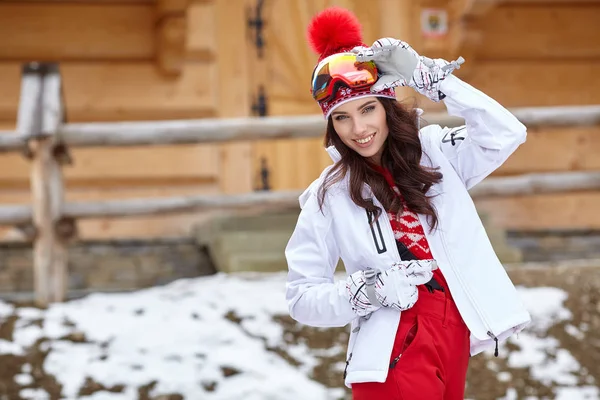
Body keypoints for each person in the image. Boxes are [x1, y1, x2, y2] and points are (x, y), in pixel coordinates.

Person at [284, 6, 531, 400]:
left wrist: (426, 76)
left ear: (386, 106)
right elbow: (301, 297)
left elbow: (505, 133)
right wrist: (368, 290)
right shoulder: (328, 195)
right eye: (342, 118)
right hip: (392, 353)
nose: (359, 130)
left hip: (456, 336)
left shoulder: (435, 154)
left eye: (367, 109)